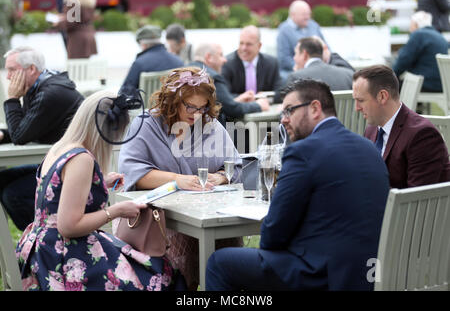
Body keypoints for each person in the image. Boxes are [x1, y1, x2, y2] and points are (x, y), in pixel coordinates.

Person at [206, 78, 390, 291]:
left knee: (219, 263)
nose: (283, 120)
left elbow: (273, 235)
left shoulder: (303, 152)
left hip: (320, 274)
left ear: (314, 108)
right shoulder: (369, 148)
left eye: (289, 111)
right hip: (368, 273)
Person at [15, 89, 186, 291]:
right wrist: (118, 211)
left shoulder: (61, 147)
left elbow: (56, 192)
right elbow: (68, 226)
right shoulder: (81, 159)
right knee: (161, 275)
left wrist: (99, 182)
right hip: (61, 259)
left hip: (39, 248)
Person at [118, 67, 243, 290]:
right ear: (172, 99)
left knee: (225, 247)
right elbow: (133, 172)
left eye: (202, 107)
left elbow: (235, 165)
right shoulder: (146, 125)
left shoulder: (210, 125)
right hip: (162, 220)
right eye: (190, 106)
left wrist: (221, 177)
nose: (196, 114)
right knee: (183, 257)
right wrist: (177, 180)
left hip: (209, 213)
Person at [1, 46, 83, 230]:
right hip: (57, 161)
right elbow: (27, 129)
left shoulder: (50, 93)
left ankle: (42, 243)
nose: (8, 77)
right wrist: (4, 135)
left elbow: (21, 136)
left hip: (73, 168)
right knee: (2, 179)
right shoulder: (40, 86)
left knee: (13, 194)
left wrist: (12, 99)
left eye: (12, 70)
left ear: (31, 69)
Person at [353, 65, 450, 189]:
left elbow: (415, 199)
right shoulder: (372, 129)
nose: (356, 108)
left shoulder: (422, 136)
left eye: (361, 100)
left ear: (382, 96)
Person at [190, 43, 269, 126]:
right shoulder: (213, 78)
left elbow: (219, 104)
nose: (225, 60)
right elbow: (232, 109)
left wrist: (234, 99)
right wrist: (258, 105)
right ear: (209, 57)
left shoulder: (184, 72)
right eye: (221, 55)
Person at [222, 25, 284, 104]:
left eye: (249, 44)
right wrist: (244, 98)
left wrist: (264, 97)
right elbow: (224, 96)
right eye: (241, 43)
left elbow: (281, 93)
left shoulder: (271, 63)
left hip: (265, 111)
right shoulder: (227, 64)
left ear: (259, 46)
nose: (243, 48)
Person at [393, 11, 448, 93]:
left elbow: (404, 60)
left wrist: (392, 75)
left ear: (416, 24)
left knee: (388, 86)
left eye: (411, 25)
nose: (409, 29)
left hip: (424, 83)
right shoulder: (439, 36)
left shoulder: (418, 34)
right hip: (441, 84)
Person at [277, 0, 327, 80]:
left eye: (309, 14)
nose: (307, 17)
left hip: (317, 68)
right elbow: (284, 59)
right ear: (292, 15)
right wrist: (305, 69)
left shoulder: (314, 25)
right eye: (304, 14)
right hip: (293, 71)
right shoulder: (284, 30)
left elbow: (325, 47)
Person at [122, 24, 183, 90]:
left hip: (146, 100)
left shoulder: (139, 63)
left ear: (143, 45)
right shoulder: (179, 62)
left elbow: (125, 92)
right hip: (171, 100)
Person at [286, 37, 354, 91]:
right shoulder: (349, 75)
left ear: (305, 54)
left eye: (296, 53)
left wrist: (297, 73)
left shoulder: (296, 78)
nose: (294, 58)